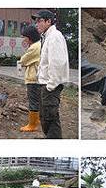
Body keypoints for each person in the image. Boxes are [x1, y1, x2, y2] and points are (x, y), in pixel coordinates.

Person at [32, 9, 69, 139]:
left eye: (40, 21)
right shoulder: (47, 37)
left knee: (50, 119)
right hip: (45, 84)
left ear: (49, 21)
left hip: (50, 86)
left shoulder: (55, 37)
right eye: (36, 21)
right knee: (45, 117)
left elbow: (57, 63)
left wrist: (51, 85)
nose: (37, 24)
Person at [19, 25, 42, 132]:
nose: (24, 39)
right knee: (38, 101)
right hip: (38, 78)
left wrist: (21, 62)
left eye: (25, 37)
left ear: (30, 37)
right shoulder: (39, 44)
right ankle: (37, 120)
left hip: (33, 78)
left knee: (33, 101)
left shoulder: (34, 47)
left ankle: (32, 124)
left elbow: (23, 61)